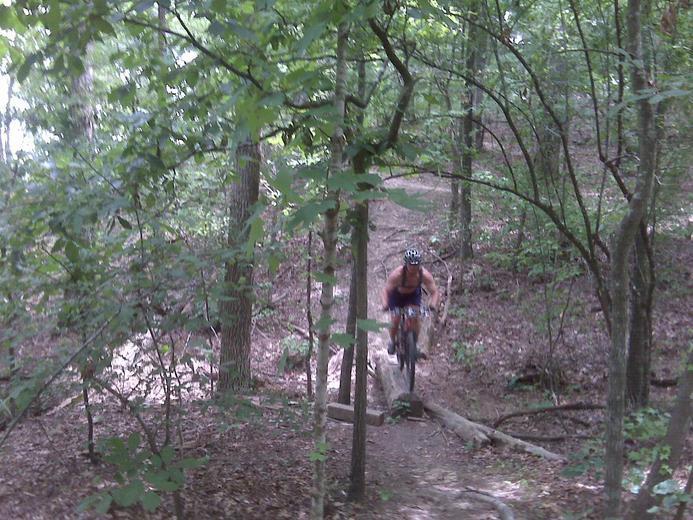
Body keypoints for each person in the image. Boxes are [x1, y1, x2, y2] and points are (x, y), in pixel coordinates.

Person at [380, 247, 440, 355]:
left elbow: (434, 291)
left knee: (415, 317)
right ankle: (393, 341)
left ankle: (414, 344)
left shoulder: (424, 275)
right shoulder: (397, 275)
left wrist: (432, 305)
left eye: (416, 268)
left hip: (413, 295)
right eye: (411, 268)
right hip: (396, 296)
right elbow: (385, 290)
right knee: (395, 319)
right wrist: (385, 304)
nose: (413, 271)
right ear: (406, 265)